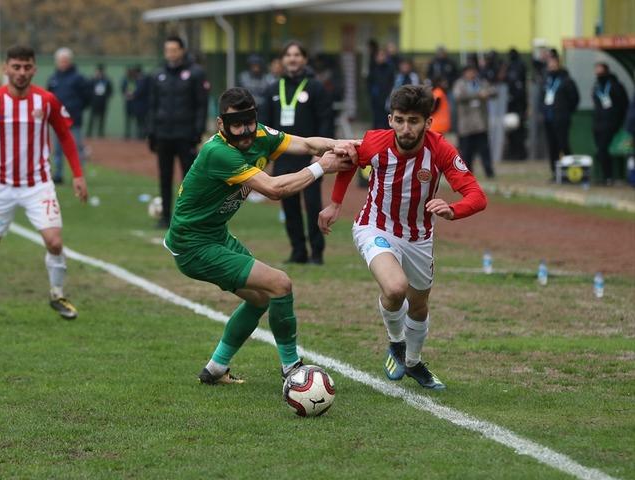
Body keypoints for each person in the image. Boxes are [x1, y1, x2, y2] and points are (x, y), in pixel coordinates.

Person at [163, 87, 357, 385]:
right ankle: (292, 370)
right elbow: (274, 189)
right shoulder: (218, 152)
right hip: (194, 246)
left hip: (215, 235)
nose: (244, 131)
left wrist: (339, 144)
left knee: (260, 300)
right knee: (280, 284)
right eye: (236, 124)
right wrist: (322, 167)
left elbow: (306, 144)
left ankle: (215, 368)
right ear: (220, 124)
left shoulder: (260, 135)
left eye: (249, 122)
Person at [319, 85, 487, 390]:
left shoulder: (441, 150)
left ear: (427, 123)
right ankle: (396, 343)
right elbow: (351, 161)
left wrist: (453, 208)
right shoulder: (375, 142)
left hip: (419, 236)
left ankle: (412, 362)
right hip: (375, 226)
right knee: (396, 288)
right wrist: (335, 203)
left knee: (419, 305)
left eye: (413, 121)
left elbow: (477, 195)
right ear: (390, 119)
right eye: (399, 120)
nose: (405, 128)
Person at [0, 45, 88, 322]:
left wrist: (77, 174)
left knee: (54, 242)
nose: (21, 72)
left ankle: (57, 294)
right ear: (6, 68)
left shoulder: (47, 100)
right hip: (0, 186)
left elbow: (65, 136)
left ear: (34, 69)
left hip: (38, 185)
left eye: (27, 67)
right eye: (15, 67)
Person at [260, 40, 334, 265]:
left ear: (304, 59)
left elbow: (325, 120)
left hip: (309, 157)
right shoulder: (273, 88)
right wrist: (267, 154)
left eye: (297, 55)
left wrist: (321, 153)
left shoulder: (316, 87)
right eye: (288, 55)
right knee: (288, 205)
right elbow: (265, 125)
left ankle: (317, 253)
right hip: (283, 157)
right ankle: (298, 252)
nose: (292, 59)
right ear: (282, 60)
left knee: (312, 205)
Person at [147, 35, 209, 229]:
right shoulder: (158, 75)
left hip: (186, 134)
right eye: (167, 50)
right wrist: (151, 132)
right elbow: (152, 105)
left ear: (182, 51)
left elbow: (201, 105)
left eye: (174, 50)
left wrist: (197, 132)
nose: (171, 54)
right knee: (164, 177)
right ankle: (165, 217)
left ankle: (188, 217)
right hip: (164, 134)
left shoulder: (195, 73)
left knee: (189, 179)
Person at [47, 47, 91, 184]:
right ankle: (58, 174)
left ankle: (78, 175)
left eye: (65, 60)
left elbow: (87, 97)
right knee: (58, 150)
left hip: (74, 120)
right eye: (61, 61)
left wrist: (77, 108)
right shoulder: (53, 78)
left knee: (76, 147)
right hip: (57, 120)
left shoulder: (78, 78)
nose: (63, 63)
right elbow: (49, 97)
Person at [453, 64, 496, 178]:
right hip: (466, 125)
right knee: (467, 152)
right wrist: (477, 95)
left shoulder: (481, 82)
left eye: (473, 71)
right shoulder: (460, 84)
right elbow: (458, 96)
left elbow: (493, 91)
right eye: (469, 71)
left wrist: (488, 93)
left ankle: (489, 172)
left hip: (480, 124)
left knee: (484, 150)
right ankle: (467, 174)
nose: (471, 74)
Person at [542, 55, 580, 179]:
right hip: (548, 118)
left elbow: (574, 99)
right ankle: (555, 173)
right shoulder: (547, 80)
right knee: (552, 146)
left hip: (561, 118)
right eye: (549, 64)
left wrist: (566, 111)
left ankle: (571, 172)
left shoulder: (566, 80)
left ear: (559, 64)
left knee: (563, 145)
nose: (551, 66)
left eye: (553, 64)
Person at [591, 62, 629, 185]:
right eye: (596, 70)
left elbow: (623, 105)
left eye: (600, 70)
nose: (598, 73)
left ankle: (609, 177)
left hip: (611, 124)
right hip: (598, 124)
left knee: (604, 150)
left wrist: (619, 122)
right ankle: (606, 177)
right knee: (601, 150)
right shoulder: (596, 87)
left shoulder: (615, 86)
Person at [504, 48, 528, 160]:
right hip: (513, 104)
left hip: (518, 105)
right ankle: (514, 152)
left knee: (518, 130)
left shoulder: (519, 67)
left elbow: (522, 90)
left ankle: (520, 153)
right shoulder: (509, 67)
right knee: (512, 130)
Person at [368, 49, 395, 130]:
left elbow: (392, 82)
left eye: (382, 55)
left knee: (385, 118)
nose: (380, 58)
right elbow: (369, 82)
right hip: (375, 98)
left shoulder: (390, 68)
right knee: (376, 118)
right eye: (379, 56)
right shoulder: (373, 68)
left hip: (386, 97)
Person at [121, 65, 148, 139]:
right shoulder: (128, 80)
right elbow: (124, 89)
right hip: (133, 104)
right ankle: (136, 135)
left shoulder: (142, 80)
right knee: (137, 121)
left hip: (141, 104)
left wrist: (133, 95)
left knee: (141, 121)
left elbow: (139, 91)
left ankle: (142, 135)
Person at [86, 64, 113, 138]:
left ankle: (100, 133)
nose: (99, 73)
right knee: (92, 118)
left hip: (103, 102)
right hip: (94, 102)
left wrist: (106, 97)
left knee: (102, 119)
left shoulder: (106, 80)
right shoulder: (92, 80)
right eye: (98, 71)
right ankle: (89, 133)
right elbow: (88, 89)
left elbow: (110, 91)